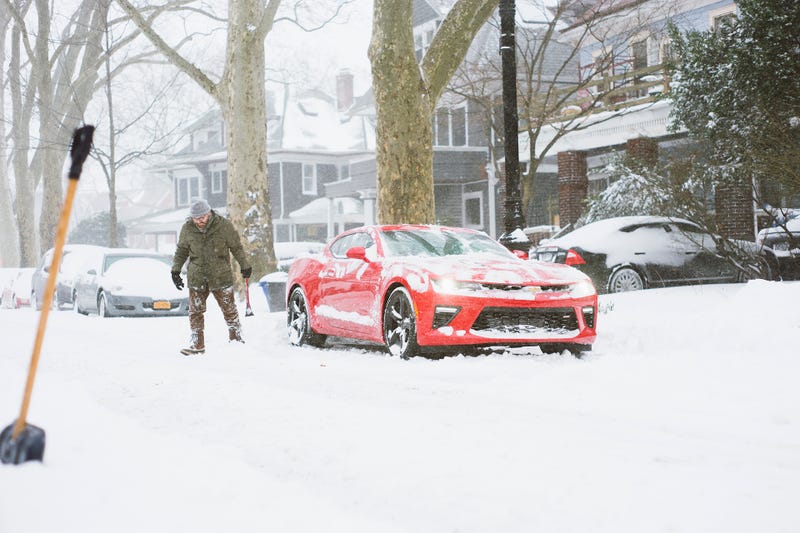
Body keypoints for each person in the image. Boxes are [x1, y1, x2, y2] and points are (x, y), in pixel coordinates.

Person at [171, 199, 252, 355]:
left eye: (203, 217)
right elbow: (181, 251)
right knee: (195, 312)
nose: (200, 221)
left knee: (229, 308)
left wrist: (244, 265)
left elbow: (236, 247)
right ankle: (197, 344)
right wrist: (175, 271)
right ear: (191, 217)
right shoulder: (187, 229)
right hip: (197, 276)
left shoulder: (223, 225)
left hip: (220, 275)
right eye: (196, 218)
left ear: (209, 213)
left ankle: (236, 339)